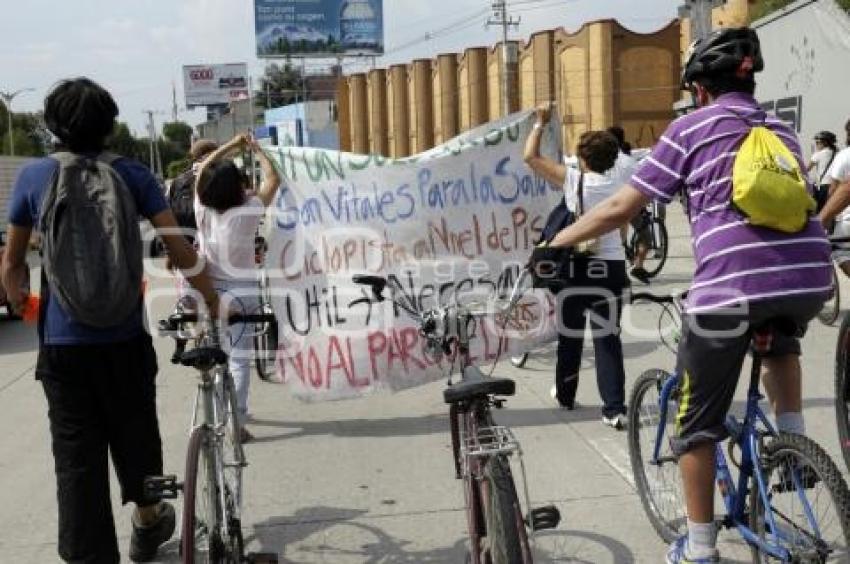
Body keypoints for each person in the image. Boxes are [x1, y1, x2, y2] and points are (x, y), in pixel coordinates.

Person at [542, 28, 831, 563]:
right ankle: (793, 449)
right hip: (808, 278)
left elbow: (620, 210)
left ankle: (700, 549)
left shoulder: (689, 128)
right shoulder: (782, 131)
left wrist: (555, 241)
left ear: (699, 88)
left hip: (730, 288)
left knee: (694, 425)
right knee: (780, 339)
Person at [0, 77, 220, 563]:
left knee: (77, 461)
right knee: (136, 434)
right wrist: (213, 298)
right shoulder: (134, 174)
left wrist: (20, 303)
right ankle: (147, 520)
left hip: (62, 347)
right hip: (124, 338)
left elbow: (13, 263)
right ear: (109, 124)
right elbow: (180, 248)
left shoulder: (34, 178)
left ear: (52, 125)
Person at [525, 113, 629, 430]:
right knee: (607, 338)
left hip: (577, 266)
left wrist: (539, 124)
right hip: (610, 266)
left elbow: (530, 156)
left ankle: (567, 396)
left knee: (570, 335)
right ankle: (614, 408)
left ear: (583, 158)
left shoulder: (575, 181)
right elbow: (625, 225)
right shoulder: (621, 184)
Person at [193, 132, 282, 442]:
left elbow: (204, 169)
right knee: (239, 359)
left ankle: (215, 413)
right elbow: (273, 179)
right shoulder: (245, 214)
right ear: (236, 188)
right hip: (242, 294)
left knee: (217, 354)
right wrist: (256, 149)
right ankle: (236, 423)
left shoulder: (201, 210)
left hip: (209, 292)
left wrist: (230, 144)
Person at [818, 120, 850, 275]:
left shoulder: (844, 155)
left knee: (839, 250)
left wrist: (824, 219)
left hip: (846, 218)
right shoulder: (836, 153)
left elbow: (837, 189)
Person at [807, 130, 837, 212]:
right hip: (834, 185)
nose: (816, 145)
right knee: (829, 210)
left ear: (824, 143)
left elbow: (807, 169)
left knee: (819, 210)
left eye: (817, 143)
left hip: (823, 187)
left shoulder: (819, 154)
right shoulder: (836, 153)